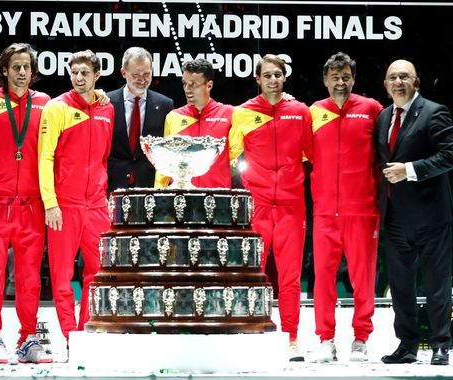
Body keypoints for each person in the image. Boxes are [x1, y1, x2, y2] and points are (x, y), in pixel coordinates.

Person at [229, 54, 313, 361]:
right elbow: (229, 155)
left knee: (290, 278)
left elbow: (311, 154)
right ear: (258, 79)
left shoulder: (300, 112)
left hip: (291, 206)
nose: (273, 80)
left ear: (284, 78)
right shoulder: (243, 113)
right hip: (259, 206)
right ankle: (253, 330)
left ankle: (291, 339)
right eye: (267, 75)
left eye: (278, 75)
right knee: (254, 274)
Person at [377, 59, 453, 365]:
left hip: (431, 217)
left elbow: (449, 156)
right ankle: (407, 346)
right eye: (393, 77)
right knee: (400, 288)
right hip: (396, 217)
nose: (398, 82)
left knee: (437, 284)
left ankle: (440, 345)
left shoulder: (434, 112)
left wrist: (409, 170)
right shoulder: (384, 117)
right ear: (386, 85)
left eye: (404, 77)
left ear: (416, 82)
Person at [0, 43, 52, 364]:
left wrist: (101, 96)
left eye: (26, 67)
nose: (21, 72)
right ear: (4, 70)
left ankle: (28, 338)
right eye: (15, 66)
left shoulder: (46, 104)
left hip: (32, 206)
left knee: (29, 276)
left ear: (33, 73)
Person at [309, 52, 383, 362]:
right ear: (325, 80)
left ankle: (361, 338)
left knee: (362, 278)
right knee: (323, 278)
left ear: (353, 78)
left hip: (362, 210)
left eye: (346, 76)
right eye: (334, 76)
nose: (340, 81)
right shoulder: (312, 112)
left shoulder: (372, 110)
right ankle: (326, 338)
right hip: (325, 211)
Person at [39, 50, 115, 343]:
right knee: (61, 275)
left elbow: (104, 158)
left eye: (85, 73)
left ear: (97, 76)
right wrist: (51, 203)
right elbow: (44, 157)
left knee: (98, 275)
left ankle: (86, 334)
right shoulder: (56, 107)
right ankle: (70, 336)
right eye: (74, 73)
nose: (79, 78)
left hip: (96, 205)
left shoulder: (107, 109)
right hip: (64, 206)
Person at [154, 58, 235, 188]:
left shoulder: (229, 114)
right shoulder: (174, 117)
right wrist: (158, 194)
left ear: (209, 85)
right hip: (181, 199)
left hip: (218, 198)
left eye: (193, 84)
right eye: (184, 83)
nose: (187, 89)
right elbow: (164, 164)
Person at [106, 47, 173, 191]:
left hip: (149, 186)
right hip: (112, 184)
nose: (141, 79)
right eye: (135, 74)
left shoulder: (165, 105)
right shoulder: (107, 102)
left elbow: (166, 149)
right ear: (124, 73)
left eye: (146, 74)